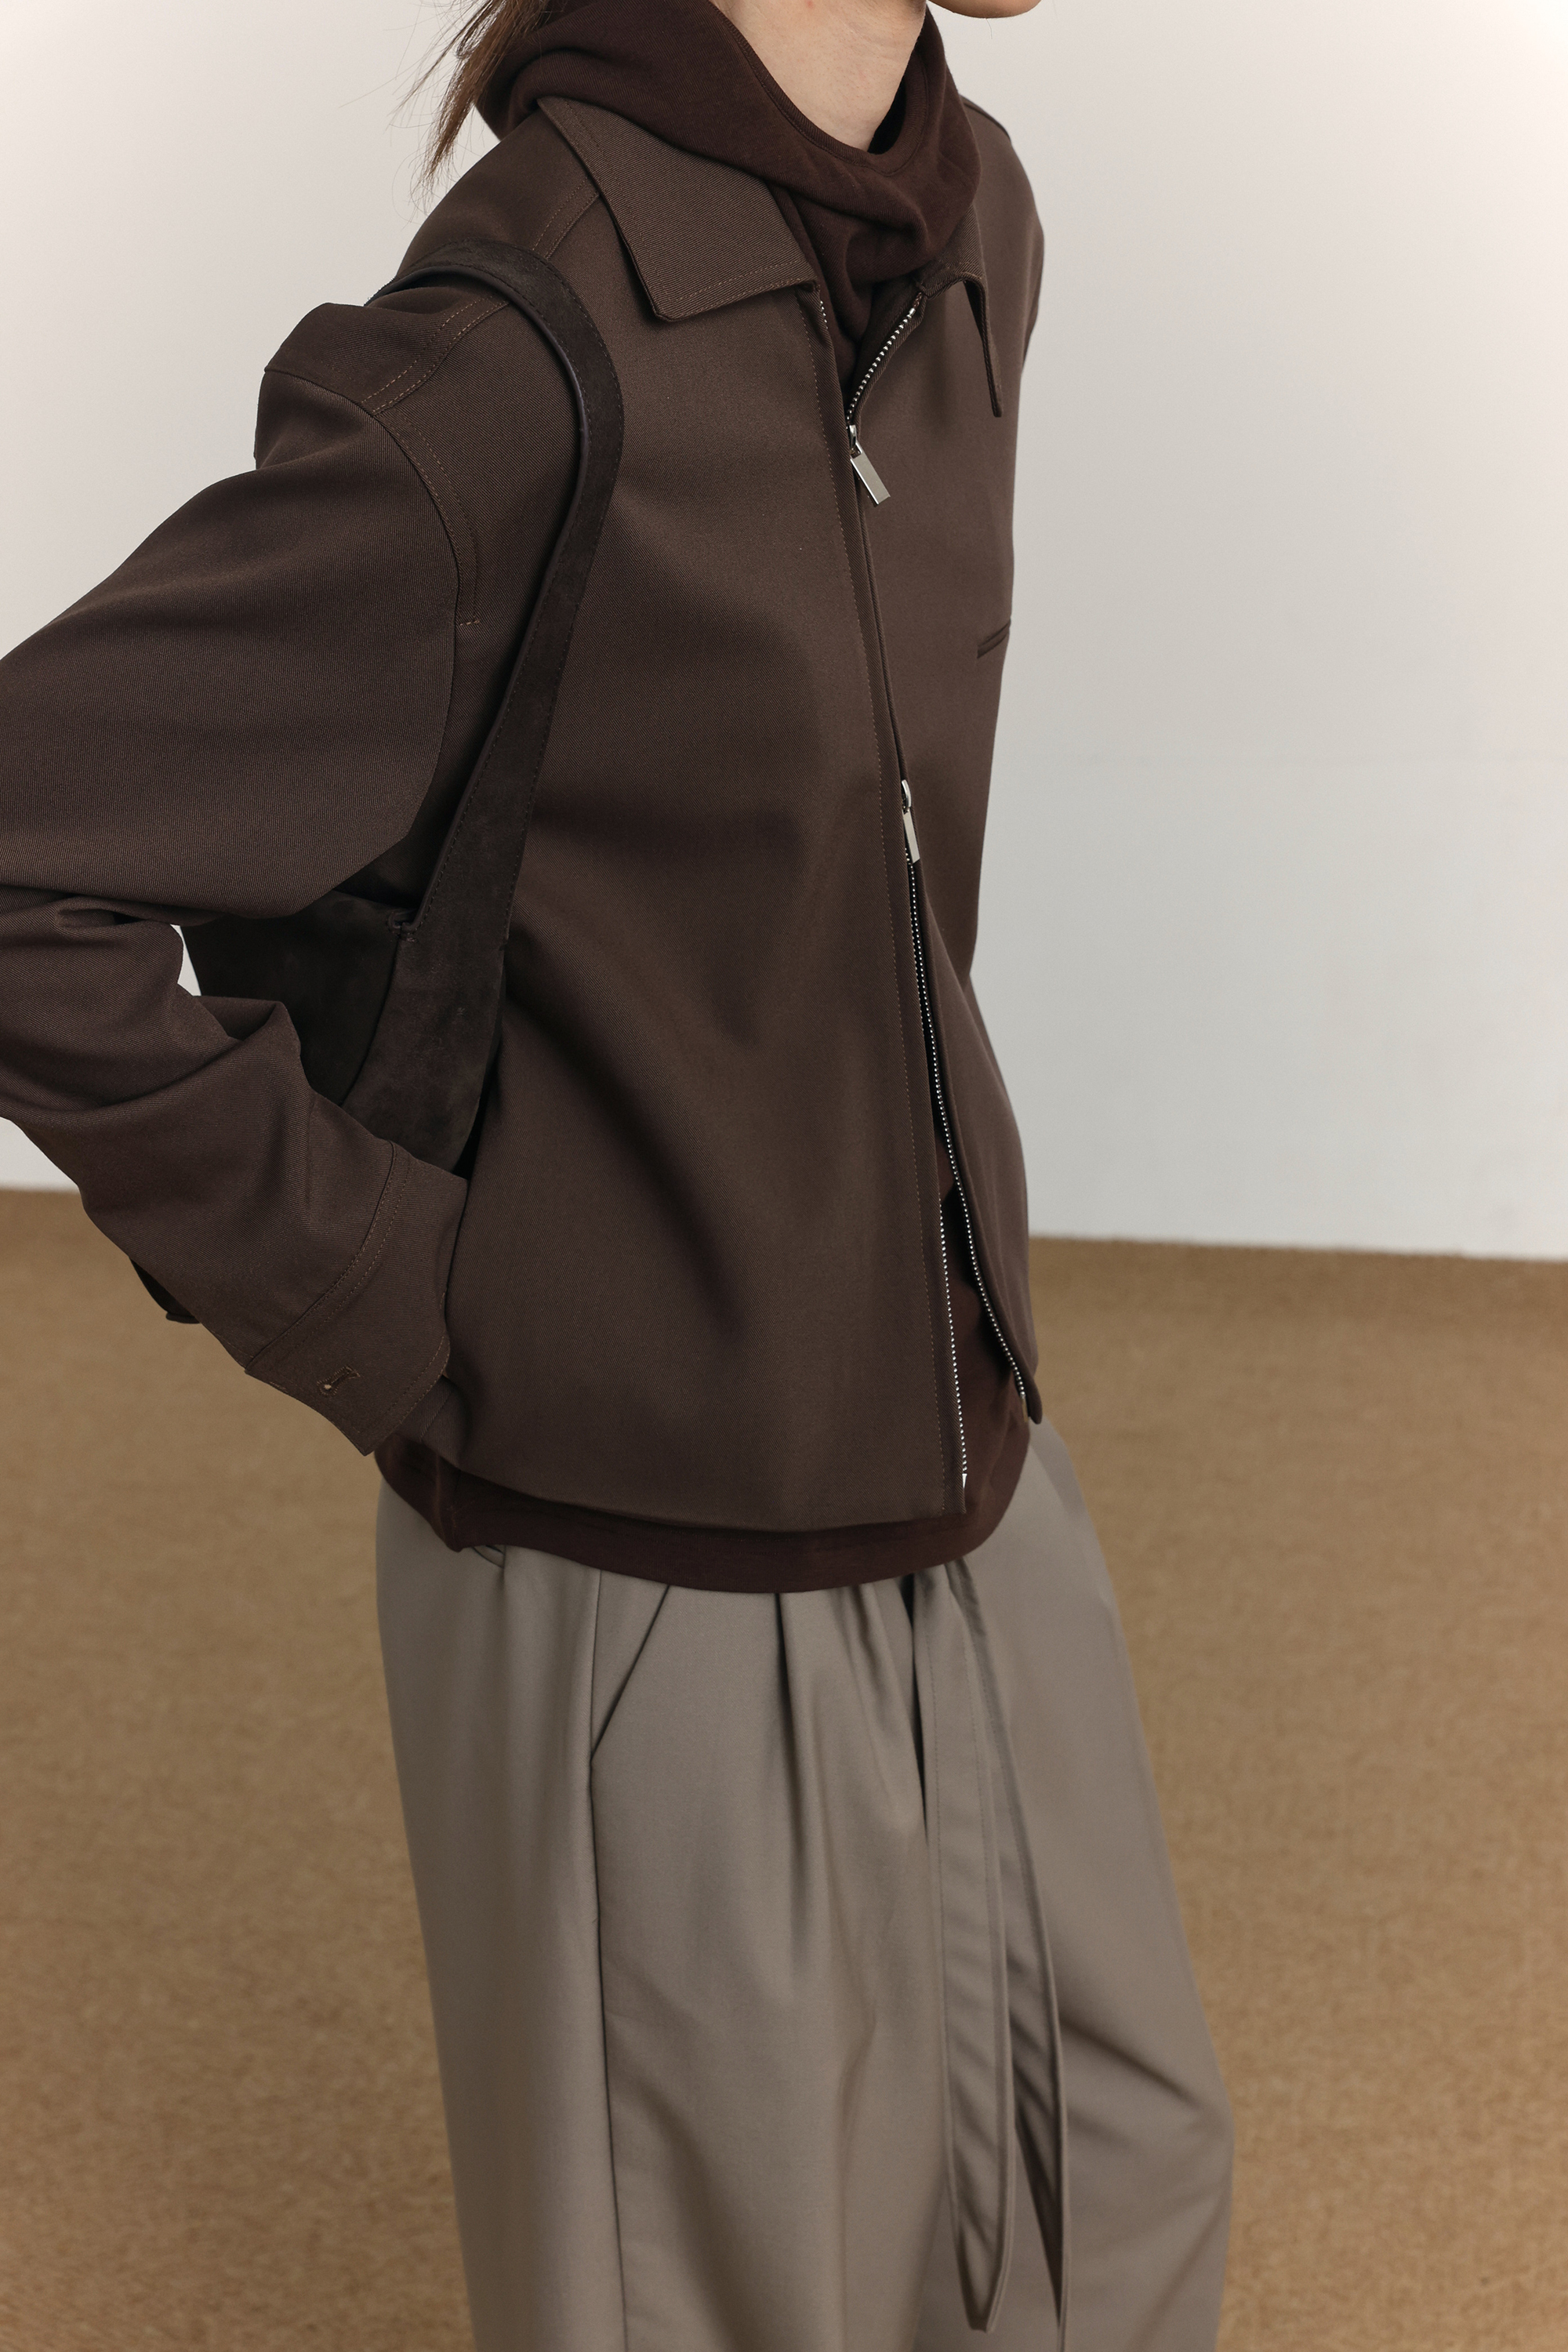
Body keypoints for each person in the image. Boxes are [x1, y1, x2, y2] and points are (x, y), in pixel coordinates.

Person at [0, 0, 1234, 2343]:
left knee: (1124, 2197)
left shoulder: (971, 227)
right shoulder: (520, 342)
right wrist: (388, 1298)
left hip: (958, 1439)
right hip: (637, 1545)